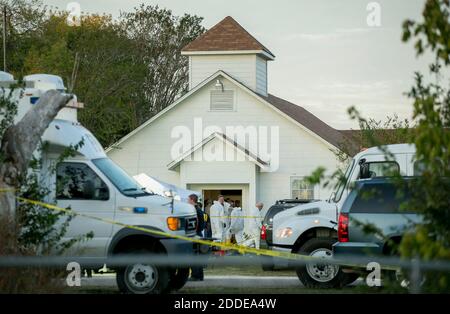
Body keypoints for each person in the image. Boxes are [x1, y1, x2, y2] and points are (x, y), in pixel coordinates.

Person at [188, 194, 205, 281]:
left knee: (194, 256)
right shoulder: (199, 209)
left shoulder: (194, 210)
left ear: (191, 200)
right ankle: (199, 276)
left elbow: (196, 224)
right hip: (199, 234)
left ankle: (195, 276)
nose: (187, 201)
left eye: (188, 200)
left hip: (195, 235)